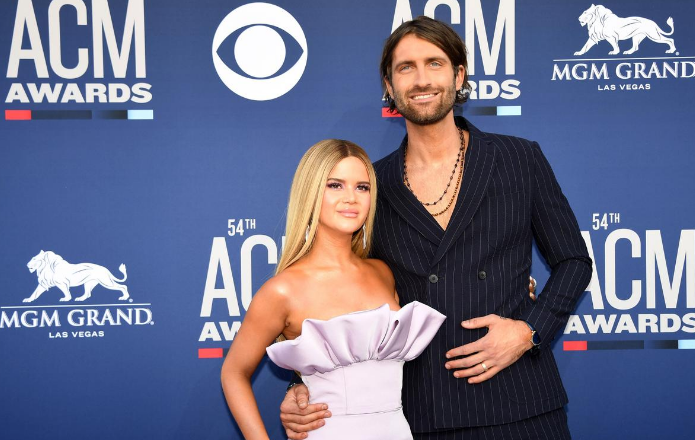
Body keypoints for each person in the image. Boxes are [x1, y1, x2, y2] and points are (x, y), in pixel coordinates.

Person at [280, 16, 593, 440]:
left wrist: (529, 331)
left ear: (458, 76)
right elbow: (340, 296)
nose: (421, 79)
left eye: (434, 63)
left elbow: (574, 261)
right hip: (423, 411)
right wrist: (303, 383)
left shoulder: (519, 158)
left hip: (522, 401)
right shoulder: (370, 186)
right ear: (389, 85)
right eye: (405, 67)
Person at [221, 140, 446, 440]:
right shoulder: (282, 291)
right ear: (311, 192)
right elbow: (233, 373)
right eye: (335, 185)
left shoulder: (382, 273)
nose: (351, 198)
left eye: (362, 187)